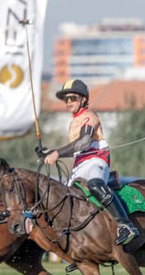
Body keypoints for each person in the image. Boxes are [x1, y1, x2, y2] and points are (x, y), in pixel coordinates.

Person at [43, 79, 138, 245]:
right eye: (66, 99)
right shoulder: (73, 123)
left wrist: (57, 153)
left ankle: (125, 225)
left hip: (96, 162)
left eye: (72, 98)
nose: (68, 102)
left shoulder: (89, 116)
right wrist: (49, 152)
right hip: (78, 167)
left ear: (83, 99)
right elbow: (74, 149)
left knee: (95, 185)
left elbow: (84, 142)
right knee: (62, 199)